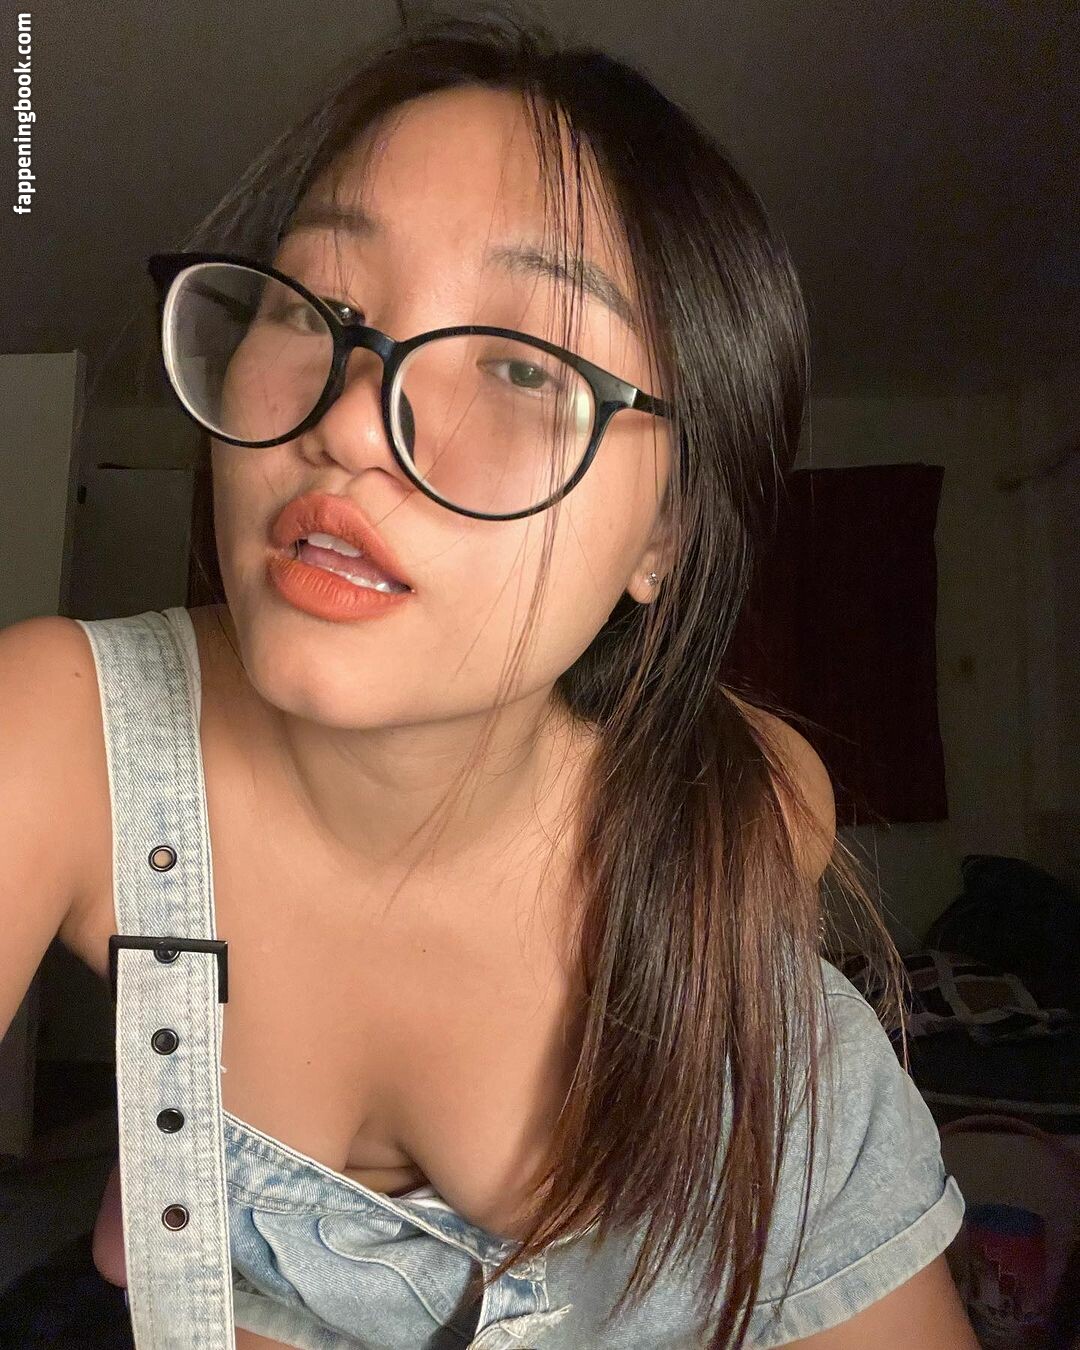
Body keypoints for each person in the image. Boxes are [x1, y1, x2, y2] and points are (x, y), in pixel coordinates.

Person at [0, 6, 978, 1347]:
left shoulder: (733, 850)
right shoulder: (59, 733)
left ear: (666, 535)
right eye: (313, 306)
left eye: (522, 363)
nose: (351, 420)